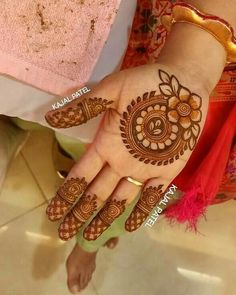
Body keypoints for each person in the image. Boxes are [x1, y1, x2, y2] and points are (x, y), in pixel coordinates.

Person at [0, 0, 235, 294]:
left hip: (205, 123)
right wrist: (191, 66)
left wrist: (192, 69)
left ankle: (91, 241)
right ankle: (32, 137)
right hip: (170, 51)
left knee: (134, 186)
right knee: (91, 139)